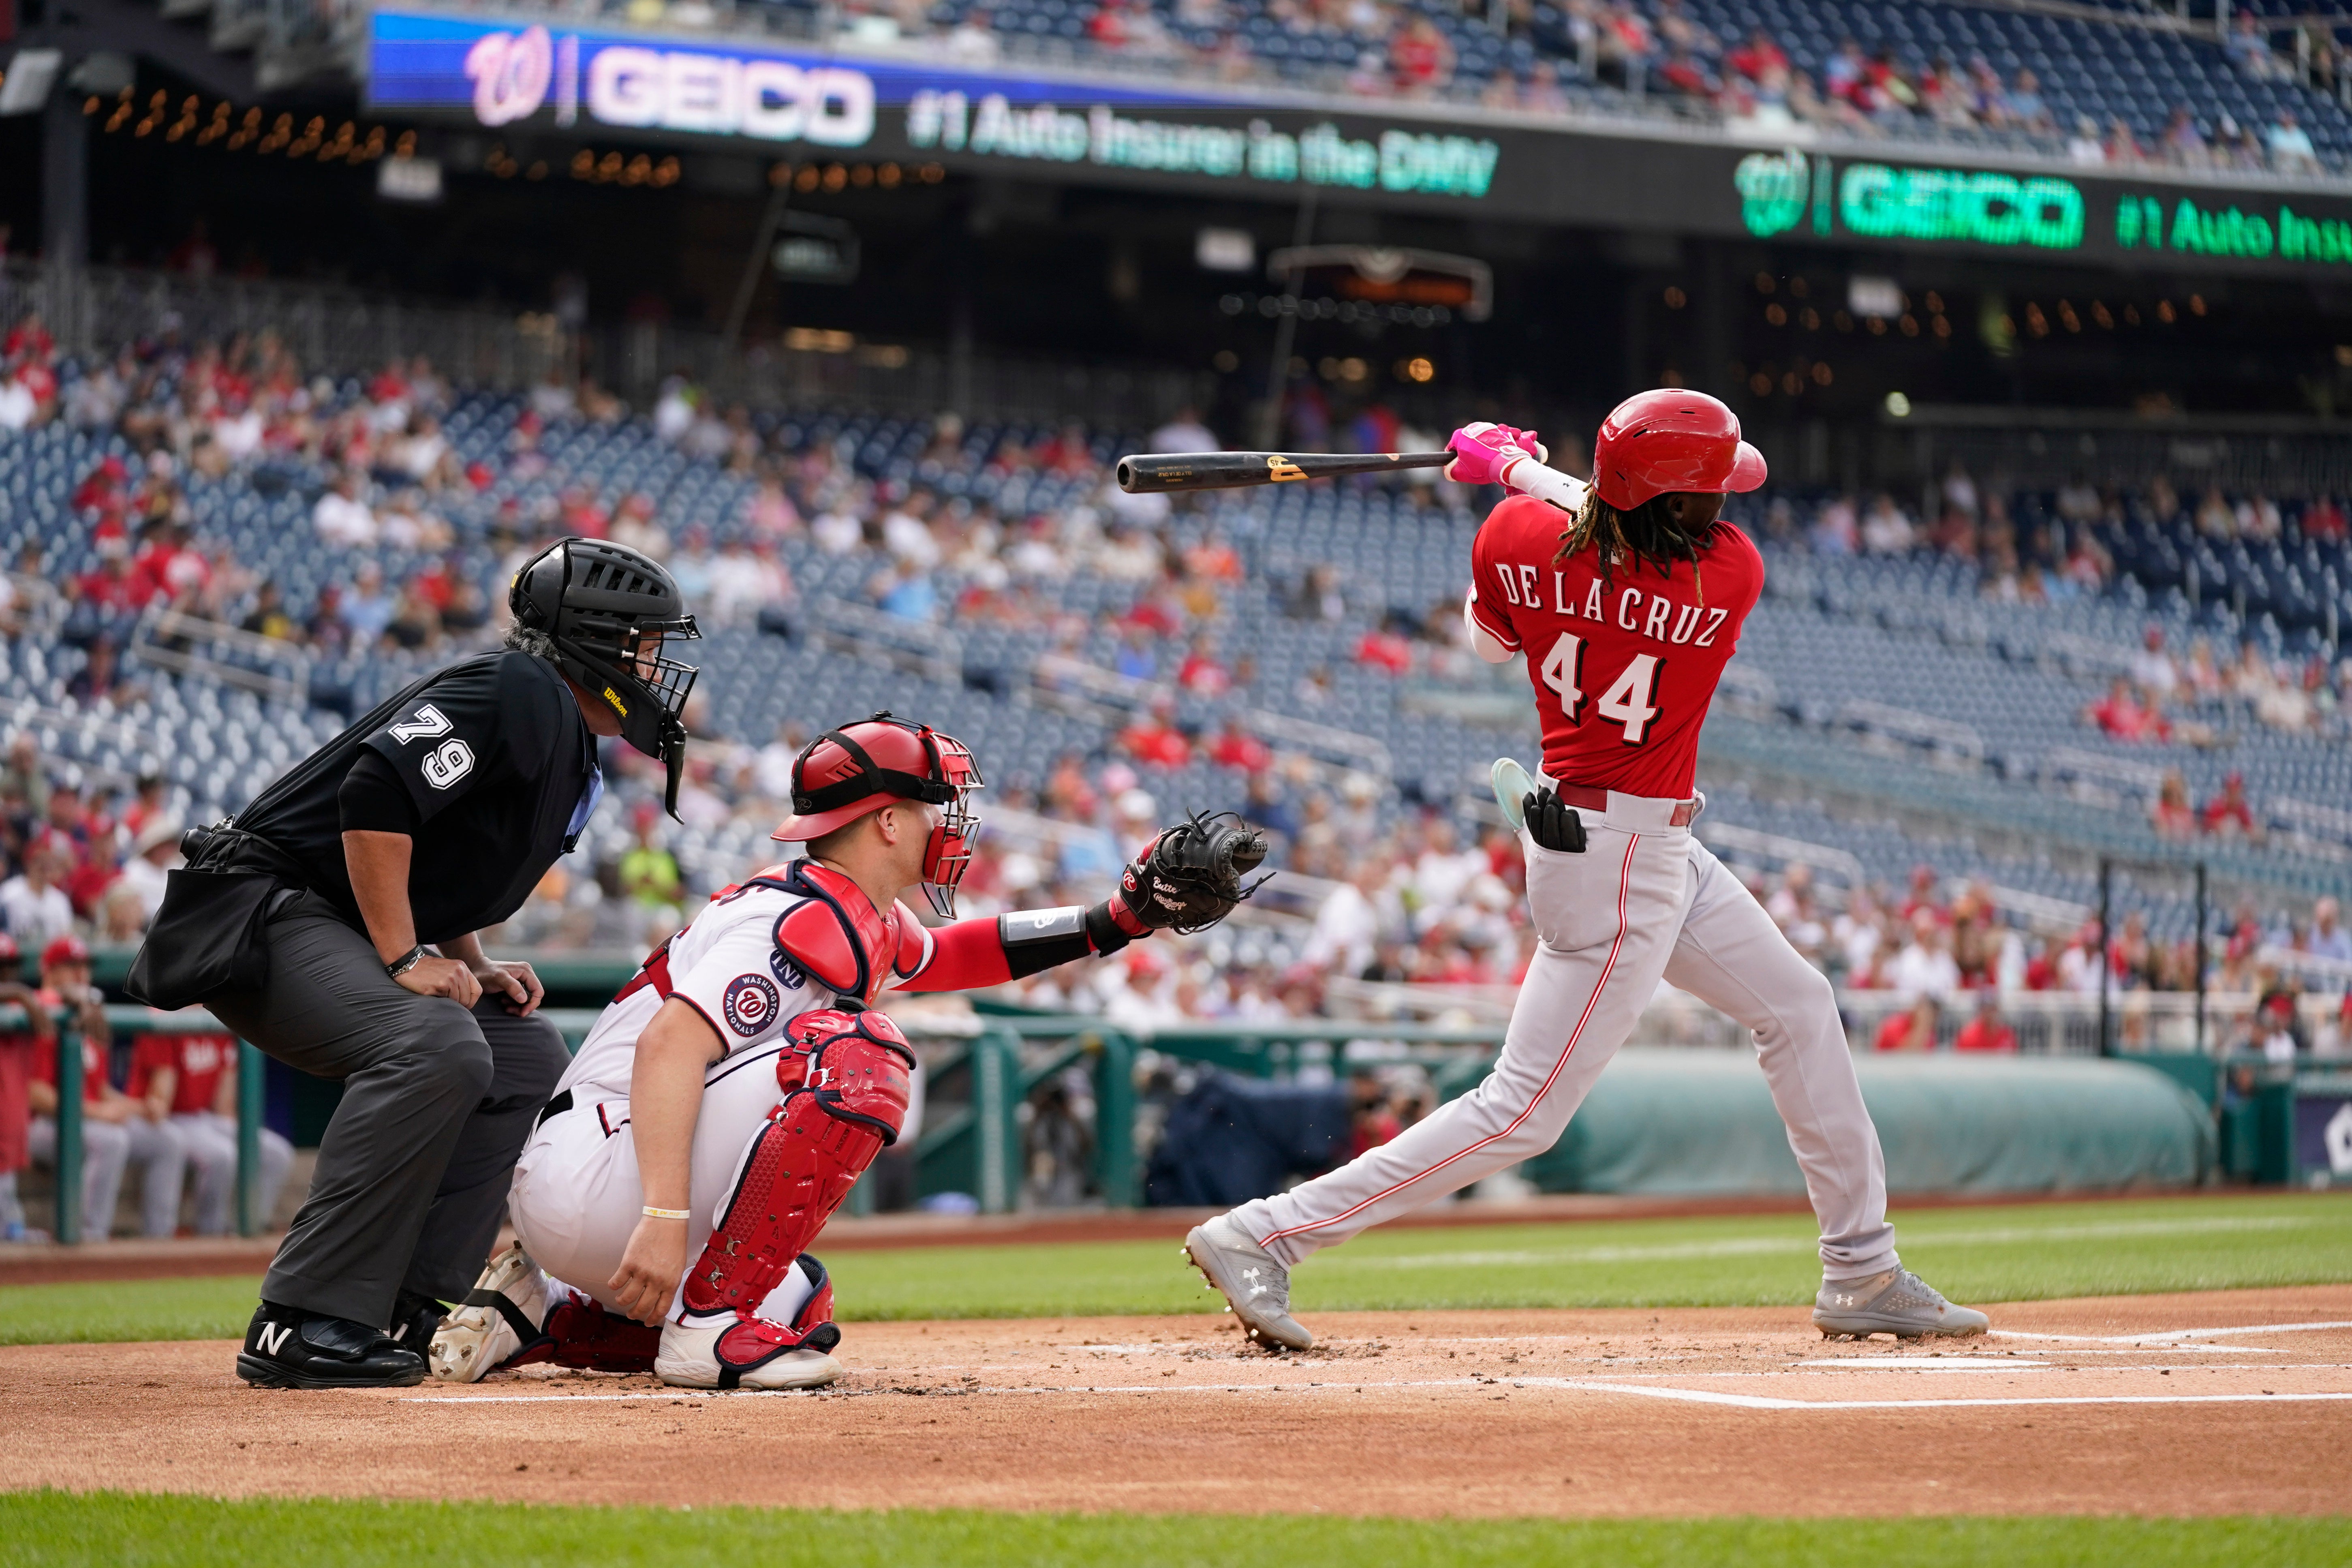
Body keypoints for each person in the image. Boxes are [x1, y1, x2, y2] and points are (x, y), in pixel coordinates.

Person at [1183, 390, 1989, 1349]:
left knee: (1800, 1005)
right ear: (1672, 503)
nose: (1725, 507)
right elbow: (1623, 537)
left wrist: (1513, 476)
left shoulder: (1515, 532)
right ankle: (1265, 1231)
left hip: (1618, 838)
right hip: (1615, 863)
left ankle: (1862, 1268)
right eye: (1707, 492)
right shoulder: (1726, 574)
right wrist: (1524, 464)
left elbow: (1499, 633)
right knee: (1520, 1110)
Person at [427, 714, 1260, 1389]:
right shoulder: (791, 918)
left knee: (797, 1294)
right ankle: (706, 1329)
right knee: (861, 1056)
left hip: (597, 1183)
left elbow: (954, 954)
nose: (949, 823)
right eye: (935, 805)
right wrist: (664, 1216)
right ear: (888, 819)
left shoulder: (844, 905)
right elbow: (669, 1045)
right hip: (606, 1168)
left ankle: (544, 1314)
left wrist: (1117, 917)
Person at [127, 537, 698, 1389]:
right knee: (434, 1041)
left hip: (327, 918)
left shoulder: (561, 727)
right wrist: (403, 955)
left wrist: (469, 955)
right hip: (260, 906)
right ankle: (303, 1315)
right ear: (600, 638)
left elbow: (444, 854)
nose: (657, 665)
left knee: (520, 1055)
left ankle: (404, 1305)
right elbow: (378, 793)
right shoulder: (520, 687)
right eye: (646, 643)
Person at [28, 937, 189, 1239]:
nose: (80, 973)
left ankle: (159, 1239)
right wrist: (99, 1113)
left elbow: (97, 1088)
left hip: (83, 1118)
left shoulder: (90, 1014)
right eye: (70, 966)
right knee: (111, 1140)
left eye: (84, 966)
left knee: (169, 1139)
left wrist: (137, 1106)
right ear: (48, 970)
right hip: (41, 1126)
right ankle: (88, 1235)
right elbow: (36, 1095)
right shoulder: (42, 1011)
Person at [126, 1027, 295, 1236]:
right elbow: (160, 1105)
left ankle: (246, 1234)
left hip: (205, 1119)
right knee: (222, 1155)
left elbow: (223, 1107)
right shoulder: (163, 1021)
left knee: (277, 1154)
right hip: (170, 1119)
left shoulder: (219, 1023)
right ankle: (210, 1236)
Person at [0, 933, 55, 1240]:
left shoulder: (29, 1007)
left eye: (12, 966)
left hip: (12, 1136)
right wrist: (19, 993)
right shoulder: (22, 1000)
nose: (7, 974)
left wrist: (87, 999)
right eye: (0, 967)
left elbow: (58, 995)